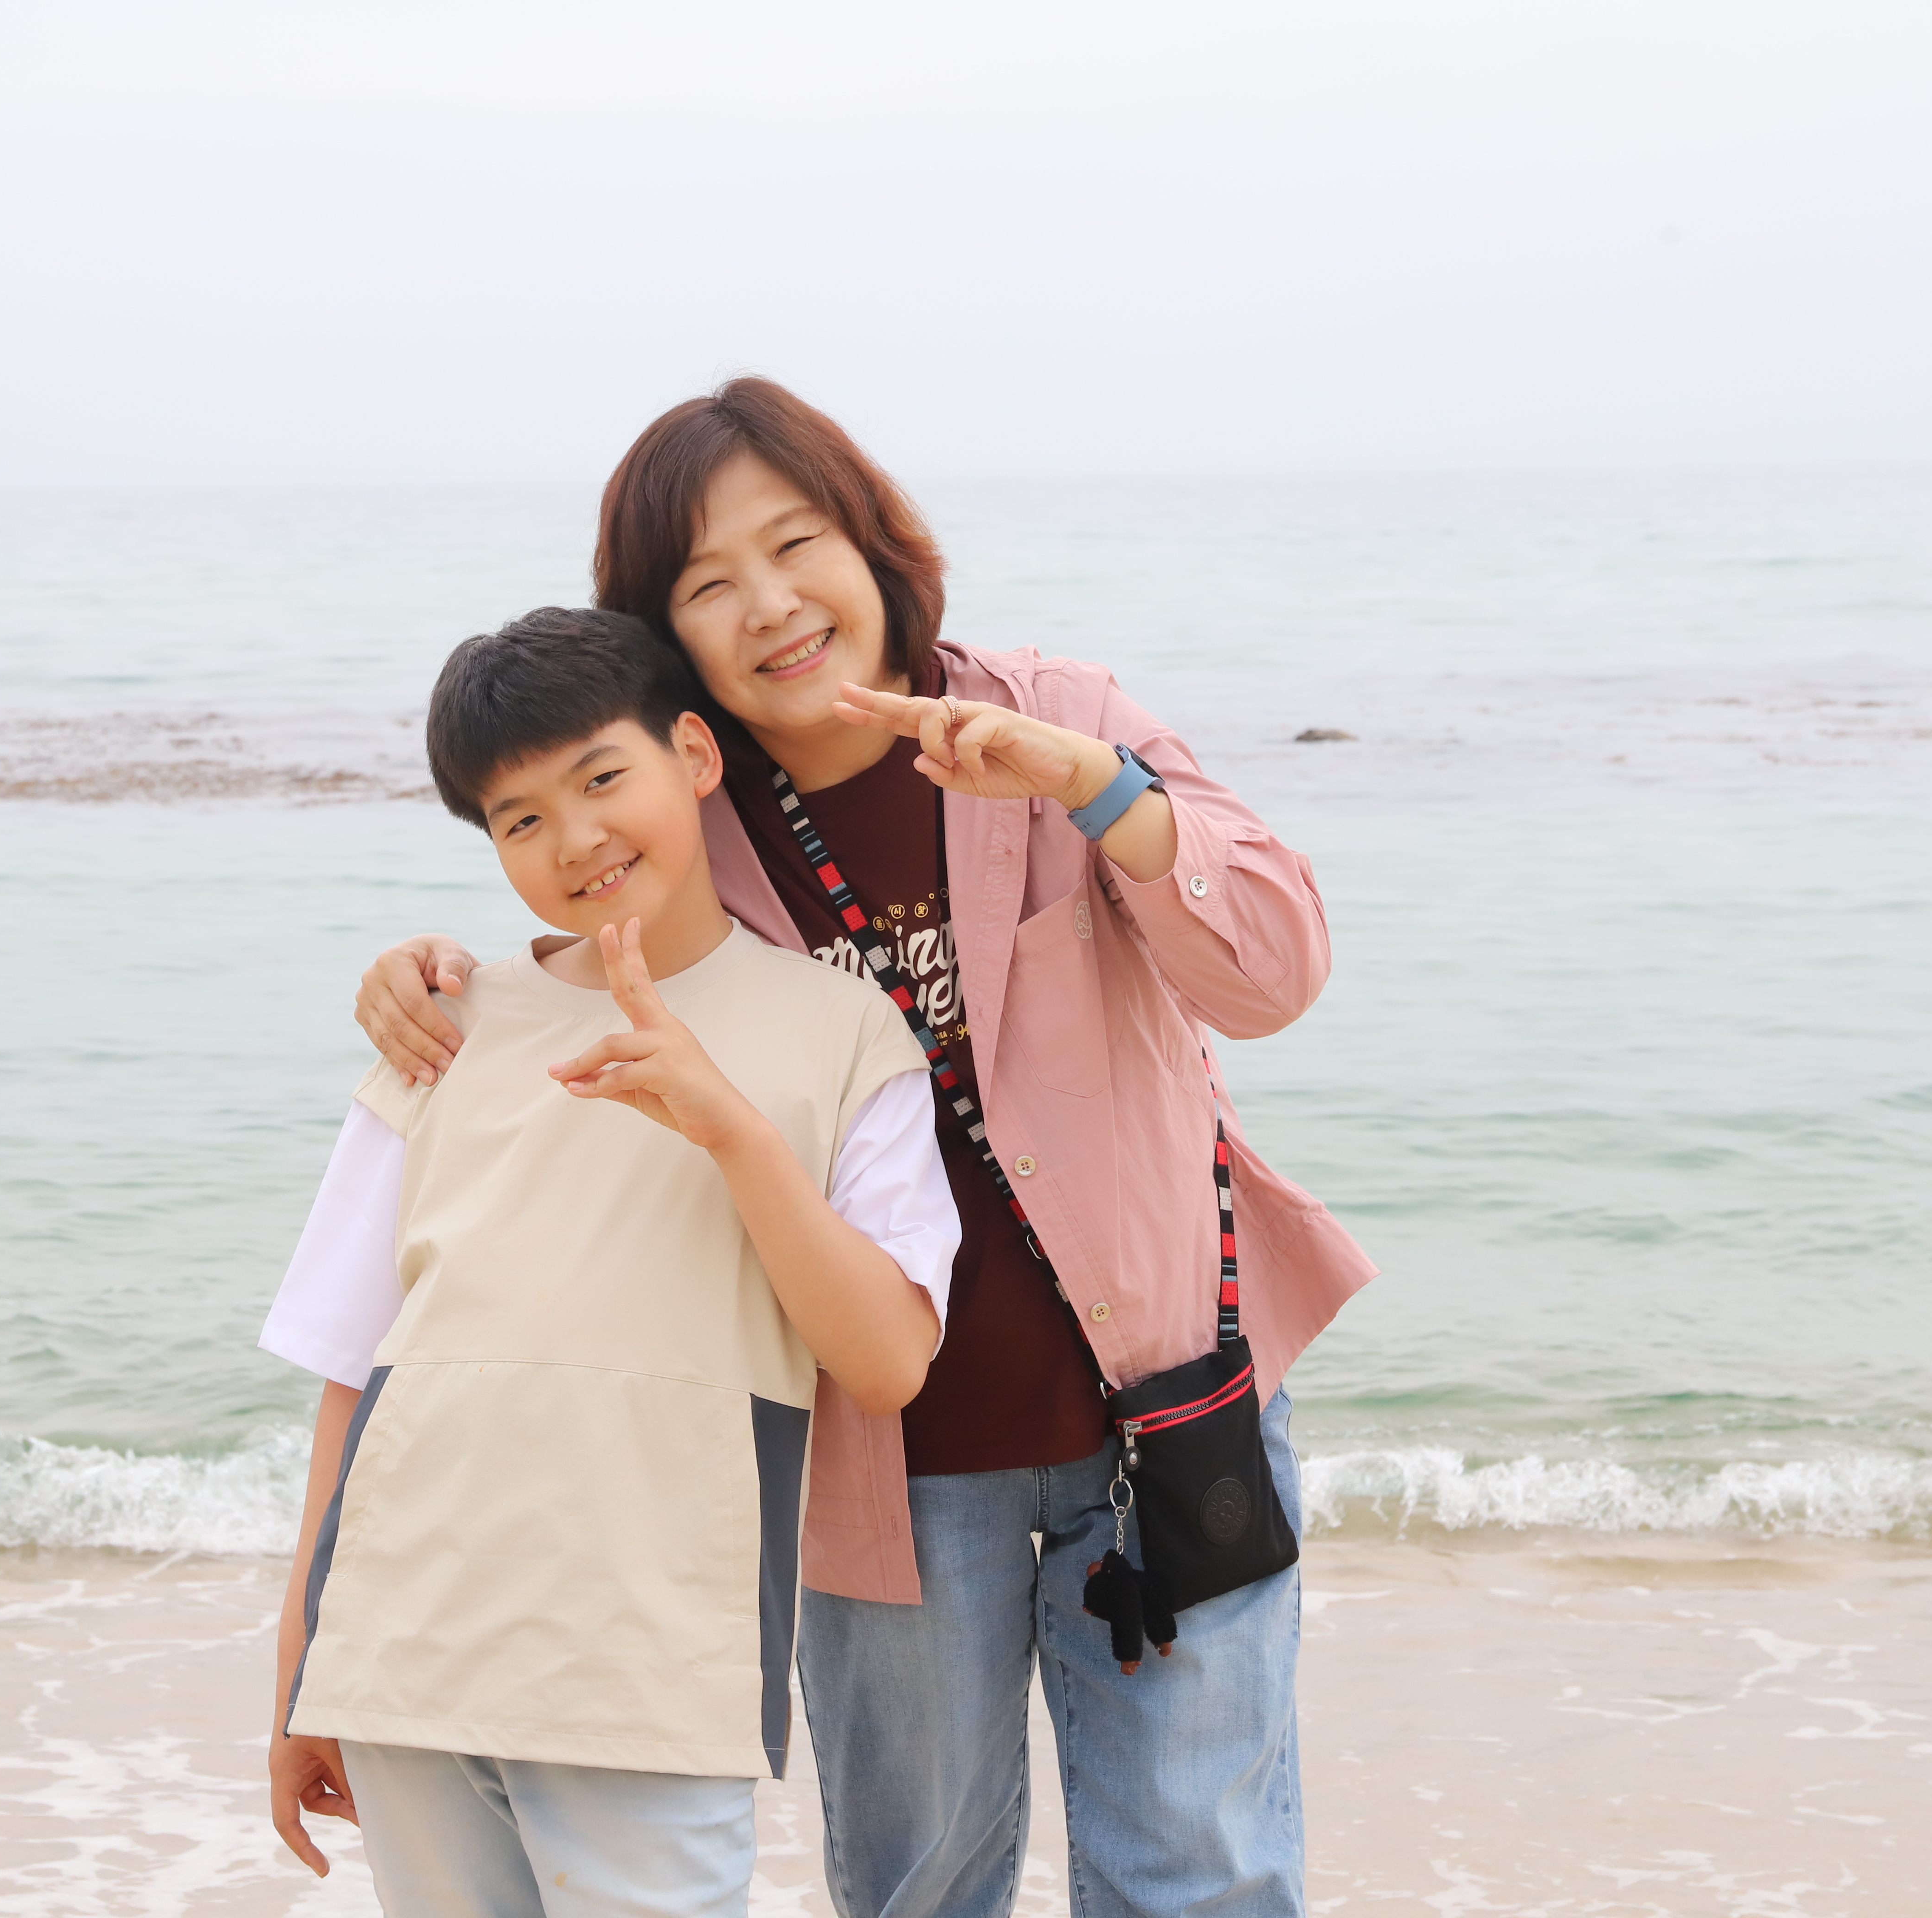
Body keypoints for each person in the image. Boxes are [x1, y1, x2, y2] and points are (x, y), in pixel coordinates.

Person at [355, 382, 1377, 1918]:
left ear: (872, 539)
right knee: (914, 1891)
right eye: (709, 583)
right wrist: (426, 975)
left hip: (1161, 1411)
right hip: (883, 1465)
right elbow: (581, 950)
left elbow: (1277, 973)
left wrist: (1093, 790)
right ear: (664, 641)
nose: (771, 604)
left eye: (796, 544)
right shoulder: (694, 812)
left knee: (1205, 1878)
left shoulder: (1059, 709)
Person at [262, 606, 963, 1917]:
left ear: (692, 754)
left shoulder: (843, 1032)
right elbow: (352, 1371)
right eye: (521, 818)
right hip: (403, 1649)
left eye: (601, 778)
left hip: (650, 1668)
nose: (576, 838)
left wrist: (730, 1129)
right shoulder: (443, 1026)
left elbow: (887, 1363)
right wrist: (304, 1663)